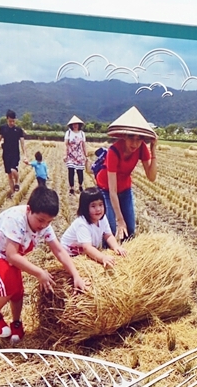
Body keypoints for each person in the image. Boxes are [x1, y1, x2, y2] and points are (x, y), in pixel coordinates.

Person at [0, 186, 88, 344]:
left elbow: (59, 250)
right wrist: (39, 273)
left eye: (49, 221)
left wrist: (76, 275)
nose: (43, 225)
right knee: (8, 285)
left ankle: (16, 323)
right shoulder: (16, 220)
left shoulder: (45, 225)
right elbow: (11, 255)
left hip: (11, 253)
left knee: (18, 290)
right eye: (41, 220)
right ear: (29, 210)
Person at [97, 106, 157, 241]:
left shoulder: (141, 148)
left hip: (125, 189)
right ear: (124, 135)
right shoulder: (113, 152)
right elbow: (112, 191)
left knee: (130, 230)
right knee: (110, 230)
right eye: (131, 137)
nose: (135, 143)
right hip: (107, 190)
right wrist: (120, 219)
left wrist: (153, 150)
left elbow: (151, 177)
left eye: (139, 138)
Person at [60, 187, 126, 268]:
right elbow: (87, 248)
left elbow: (108, 235)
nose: (98, 209)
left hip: (84, 251)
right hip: (70, 254)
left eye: (101, 205)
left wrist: (116, 247)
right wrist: (103, 258)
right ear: (85, 208)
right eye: (93, 206)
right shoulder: (82, 224)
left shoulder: (103, 218)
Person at [0, 110, 26, 195]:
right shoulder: (3, 128)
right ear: (7, 119)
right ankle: (13, 192)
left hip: (15, 153)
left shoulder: (18, 130)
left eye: (13, 121)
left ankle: (17, 181)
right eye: (10, 121)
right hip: (6, 154)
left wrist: (25, 155)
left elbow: (22, 143)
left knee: (13, 169)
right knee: (9, 174)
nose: (12, 122)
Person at [64, 116, 88, 195]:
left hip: (79, 155)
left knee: (80, 172)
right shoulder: (68, 133)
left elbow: (84, 145)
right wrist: (65, 155)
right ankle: (71, 188)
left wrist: (86, 155)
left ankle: (80, 185)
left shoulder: (82, 133)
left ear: (79, 125)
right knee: (71, 172)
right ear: (71, 125)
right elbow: (66, 145)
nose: (75, 125)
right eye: (73, 124)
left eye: (76, 124)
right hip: (71, 155)